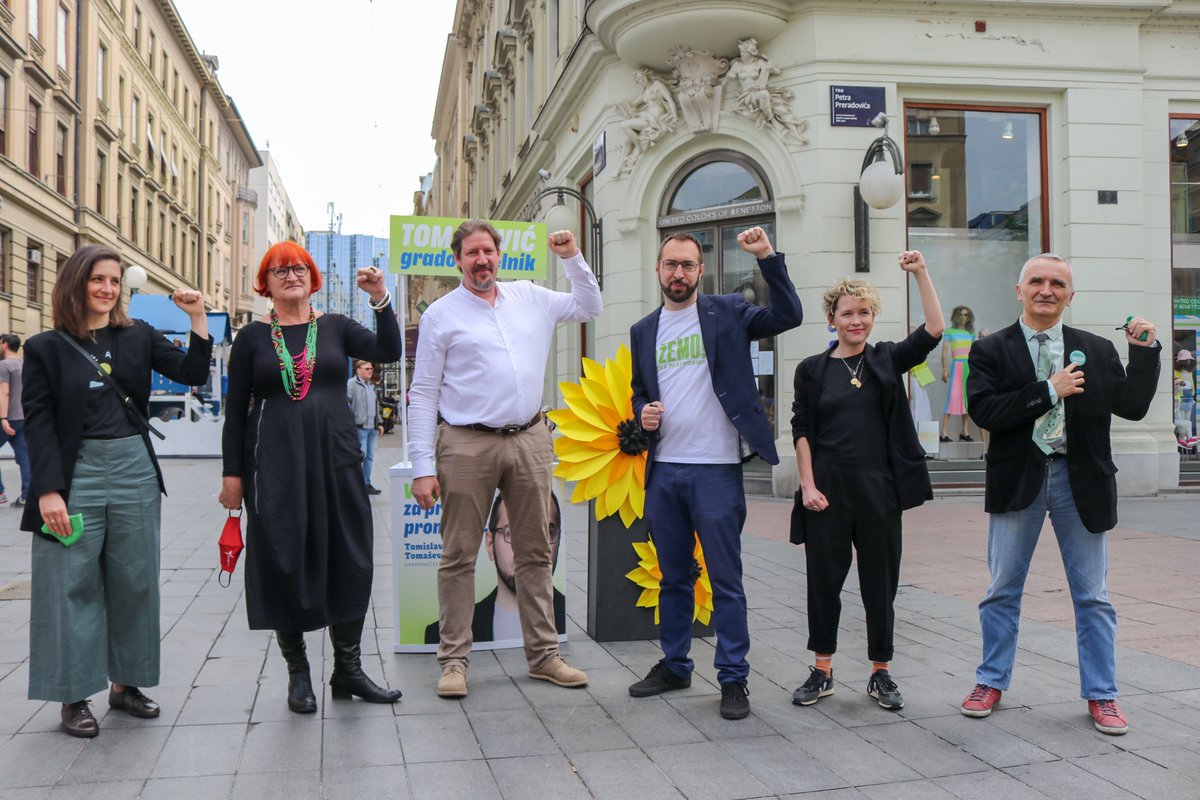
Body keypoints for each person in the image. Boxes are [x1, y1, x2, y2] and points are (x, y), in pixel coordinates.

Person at [959, 253, 1159, 735]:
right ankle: (990, 681)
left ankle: (1103, 695)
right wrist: (1049, 390)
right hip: (1018, 480)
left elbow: (1131, 407)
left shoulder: (1096, 348)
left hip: (1080, 481)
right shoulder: (991, 349)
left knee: (1093, 596)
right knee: (1002, 589)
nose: (1046, 290)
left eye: (1057, 283)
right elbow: (984, 411)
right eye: (1037, 281)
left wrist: (1145, 353)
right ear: (1019, 289)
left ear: (1071, 295)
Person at [22, 244, 213, 737]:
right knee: (70, 583)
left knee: (136, 581)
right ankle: (73, 696)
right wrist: (47, 491)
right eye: (96, 280)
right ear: (75, 283)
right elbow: (39, 423)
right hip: (76, 472)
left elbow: (193, 373)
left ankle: (126, 686)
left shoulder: (138, 336)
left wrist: (197, 317)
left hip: (133, 468)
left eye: (113, 281)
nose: (107, 289)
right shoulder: (45, 347)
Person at [409, 219, 601, 699]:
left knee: (536, 551)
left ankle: (544, 655)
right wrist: (421, 466)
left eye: (488, 252)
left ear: (500, 255)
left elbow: (590, 305)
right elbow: (423, 393)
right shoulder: (441, 314)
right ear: (458, 261)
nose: (481, 261)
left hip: (531, 438)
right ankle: (454, 661)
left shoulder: (531, 297)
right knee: (458, 555)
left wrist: (571, 257)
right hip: (466, 442)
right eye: (471, 253)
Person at [627, 226, 802, 720]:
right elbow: (640, 389)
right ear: (658, 269)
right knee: (674, 577)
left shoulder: (727, 310)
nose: (678, 273)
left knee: (726, 579)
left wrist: (768, 256)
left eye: (687, 265)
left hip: (717, 469)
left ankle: (733, 678)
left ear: (700, 271)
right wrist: (643, 412)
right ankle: (676, 664)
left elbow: (789, 314)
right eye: (670, 264)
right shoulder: (644, 330)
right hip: (666, 470)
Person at [219, 241, 402, 714]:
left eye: (299, 267)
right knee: (284, 556)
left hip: (336, 458)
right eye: (279, 270)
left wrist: (380, 298)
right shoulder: (252, 339)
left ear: (312, 276)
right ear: (266, 282)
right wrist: (233, 477)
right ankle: (298, 673)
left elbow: (388, 348)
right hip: (275, 461)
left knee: (352, 554)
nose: (291, 275)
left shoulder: (337, 328)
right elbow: (235, 414)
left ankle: (348, 669)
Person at [790, 252, 945, 712]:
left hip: (879, 487)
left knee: (880, 584)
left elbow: (934, 328)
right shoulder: (812, 370)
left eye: (863, 312)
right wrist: (808, 485)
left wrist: (920, 271)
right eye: (846, 313)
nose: (855, 320)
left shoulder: (887, 359)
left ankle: (881, 673)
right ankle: (822, 670)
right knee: (823, 582)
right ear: (832, 319)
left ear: (873, 316)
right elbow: (801, 430)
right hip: (827, 488)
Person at [425, 492, 567, 645]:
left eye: (546, 533)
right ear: (490, 544)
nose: (528, 550)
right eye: (511, 533)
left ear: (558, 541)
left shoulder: (567, 618)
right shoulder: (439, 635)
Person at [0, 333, 31, 507]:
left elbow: (4, 392)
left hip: (8, 417)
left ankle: (0, 492)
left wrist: (3, 418)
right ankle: (27, 495)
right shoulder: (24, 363)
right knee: (24, 456)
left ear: (4, 345)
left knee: (24, 456)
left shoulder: (4, 366)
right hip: (24, 416)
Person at [347, 359, 384, 495]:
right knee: (360, 456)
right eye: (367, 369)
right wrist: (351, 422)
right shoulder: (351, 384)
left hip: (371, 428)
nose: (370, 371)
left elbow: (376, 405)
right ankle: (355, 485)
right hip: (359, 427)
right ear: (358, 370)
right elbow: (346, 403)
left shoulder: (370, 386)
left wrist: (379, 423)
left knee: (369, 457)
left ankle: (366, 484)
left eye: (371, 369)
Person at [940, 305, 977, 442]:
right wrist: (944, 369)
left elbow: (975, 353)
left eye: (966, 315)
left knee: (966, 398)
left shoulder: (971, 334)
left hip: (969, 366)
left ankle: (964, 431)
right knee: (953, 396)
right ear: (956, 316)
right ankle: (943, 432)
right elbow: (944, 351)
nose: (963, 317)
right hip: (957, 366)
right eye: (961, 314)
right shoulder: (949, 331)